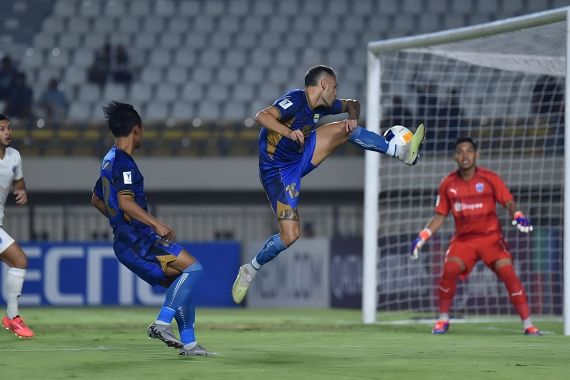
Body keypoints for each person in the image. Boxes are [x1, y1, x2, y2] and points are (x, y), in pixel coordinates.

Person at [232, 65, 425, 304]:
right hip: (277, 172)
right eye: (334, 87)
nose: (336, 92)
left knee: (346, 130)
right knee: (290, 235)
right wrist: (288, 132)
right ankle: (250, 269)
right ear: (323, 84)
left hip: (302, 153)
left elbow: (352, 103)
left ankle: (400, 151)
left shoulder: (323, 105)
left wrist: (353, 118)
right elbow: (262, 116)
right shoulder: (295, 99)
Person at [90, 102, 214, 356]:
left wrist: (118, 221)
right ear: (137, 129)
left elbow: (96, 199)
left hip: (127, 240)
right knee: (194, 268)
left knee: (181, 284)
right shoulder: (124, 162)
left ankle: (189, 344)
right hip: (139, 240)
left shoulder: (108, 160)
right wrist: (155, 223)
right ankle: (161, 324)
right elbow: (125, 201)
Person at [410, 136, 540, 335]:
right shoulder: (448, 184)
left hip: (491, 240)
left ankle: (528, 325)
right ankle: (443, 320)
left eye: (469, 151)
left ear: (476, 154)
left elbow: (508, 201)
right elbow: (440, 215)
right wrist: (422, 236)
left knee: (509, 274)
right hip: (464, 242)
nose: (465, 155)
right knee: (450, 269)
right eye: (460, 151)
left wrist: (518, 214)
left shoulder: (490, 178)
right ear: (455, 157)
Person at [0, 114, 34, 338]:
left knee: (18, 261)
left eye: (9, 128)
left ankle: (11, 317)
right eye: (2, 128)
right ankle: (12, 317)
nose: (8, 132)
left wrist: (20, 191)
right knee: (19, 260)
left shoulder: (14, 156)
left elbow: (18, 182)